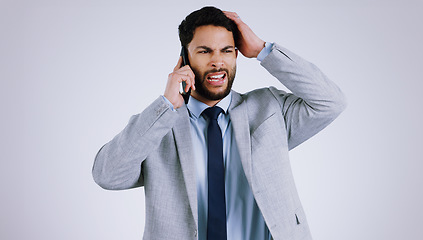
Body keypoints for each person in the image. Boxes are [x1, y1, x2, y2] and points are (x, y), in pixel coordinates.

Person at [92, 6, 346, 240]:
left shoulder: (269, 109)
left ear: (236, 55)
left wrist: (262, 50)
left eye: (226, 51)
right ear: (185, 58)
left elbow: (330, 102)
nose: (218, 61)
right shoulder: (159, 126)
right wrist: (166, 106)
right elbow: (107, 175)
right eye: (205, 51)